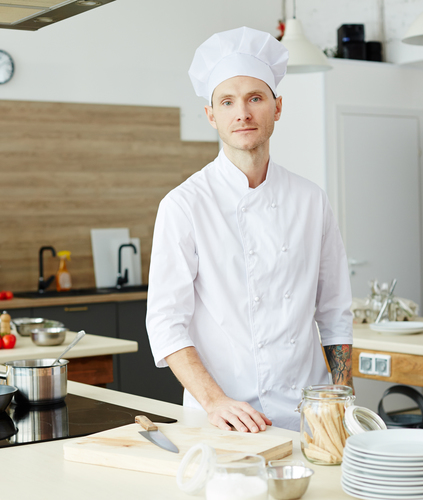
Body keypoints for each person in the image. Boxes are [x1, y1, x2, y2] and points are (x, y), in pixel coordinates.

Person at [146, 26, 353, 433]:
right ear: (211, 115)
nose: (242, 112)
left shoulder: (312, 200)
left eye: (255, 98)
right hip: (222, 416)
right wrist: (215, 401)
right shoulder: (184, 205)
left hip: (309, 412)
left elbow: (333, 312)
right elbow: (165, 323)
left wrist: (341, 399)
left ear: (277, 107)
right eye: (227, 101)